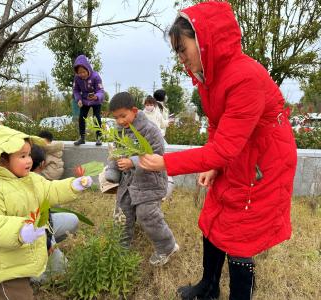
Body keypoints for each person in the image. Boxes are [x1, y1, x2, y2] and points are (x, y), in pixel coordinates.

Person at [139, 2, 297, 300]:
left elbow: (224, 148)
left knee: (240, 233)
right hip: (238, 150)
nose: (181, 58)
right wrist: (211, 165)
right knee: (213, 217)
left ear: (204, 40)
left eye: (182, 48)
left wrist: (165, 162)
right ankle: (208, 287)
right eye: (176, 51)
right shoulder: (208, 76)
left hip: (264, 160)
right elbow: (216, 125)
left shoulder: (244, 77)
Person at [0, 125, 92, 300]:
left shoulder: (32, 180)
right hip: (1, 270)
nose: (29, 160)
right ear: (1, 160)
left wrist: (73, 185)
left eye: (28, 155)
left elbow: (52, 190)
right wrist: (19, 230)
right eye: (22, 156)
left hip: (16, 261)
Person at [105, 92, 179, 266]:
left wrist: (133, 161)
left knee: (147, 215)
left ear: (134, 110)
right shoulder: (119, 131)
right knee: (122, 215)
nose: (120, 121)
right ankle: (121, 248)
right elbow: (114, 153)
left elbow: (158, 154)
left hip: (149, 182)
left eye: (123, 116)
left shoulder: (150, 130)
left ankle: (167, 247)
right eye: (116, 118)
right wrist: (113, 167)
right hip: (128, 183)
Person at [29, 144, 79, 282]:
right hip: (30, 234)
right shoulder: (26, 186)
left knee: (72, 220)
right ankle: (33, 275)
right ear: (43, 164)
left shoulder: (39, 181)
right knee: (62, 273)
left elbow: (47, 213)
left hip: (42, 227)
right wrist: (47, 243)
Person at [143, 95, 175, 200]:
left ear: (154, 105)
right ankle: (149, 187)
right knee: (149, 162)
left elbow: (162, 124)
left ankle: (161, 188)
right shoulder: (142, 115)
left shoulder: (158, 113)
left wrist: (169, 122)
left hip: (158, 140)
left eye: (151, 104)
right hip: (146, 141)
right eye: (147, 104)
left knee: (159, 162)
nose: (149, 106)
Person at [73, 54, 105, 146]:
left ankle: (99, 137)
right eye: (79, 73)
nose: (82, 74)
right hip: (84, 100)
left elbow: (101, 90)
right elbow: (76, 90)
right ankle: (82, 138)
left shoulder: (95, 76)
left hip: (95, 100)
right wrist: (78, 99)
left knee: (96, 117)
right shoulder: (77, 78)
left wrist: (97, 96)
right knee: (81, 117)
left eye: (83, 72)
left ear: (88, 69)